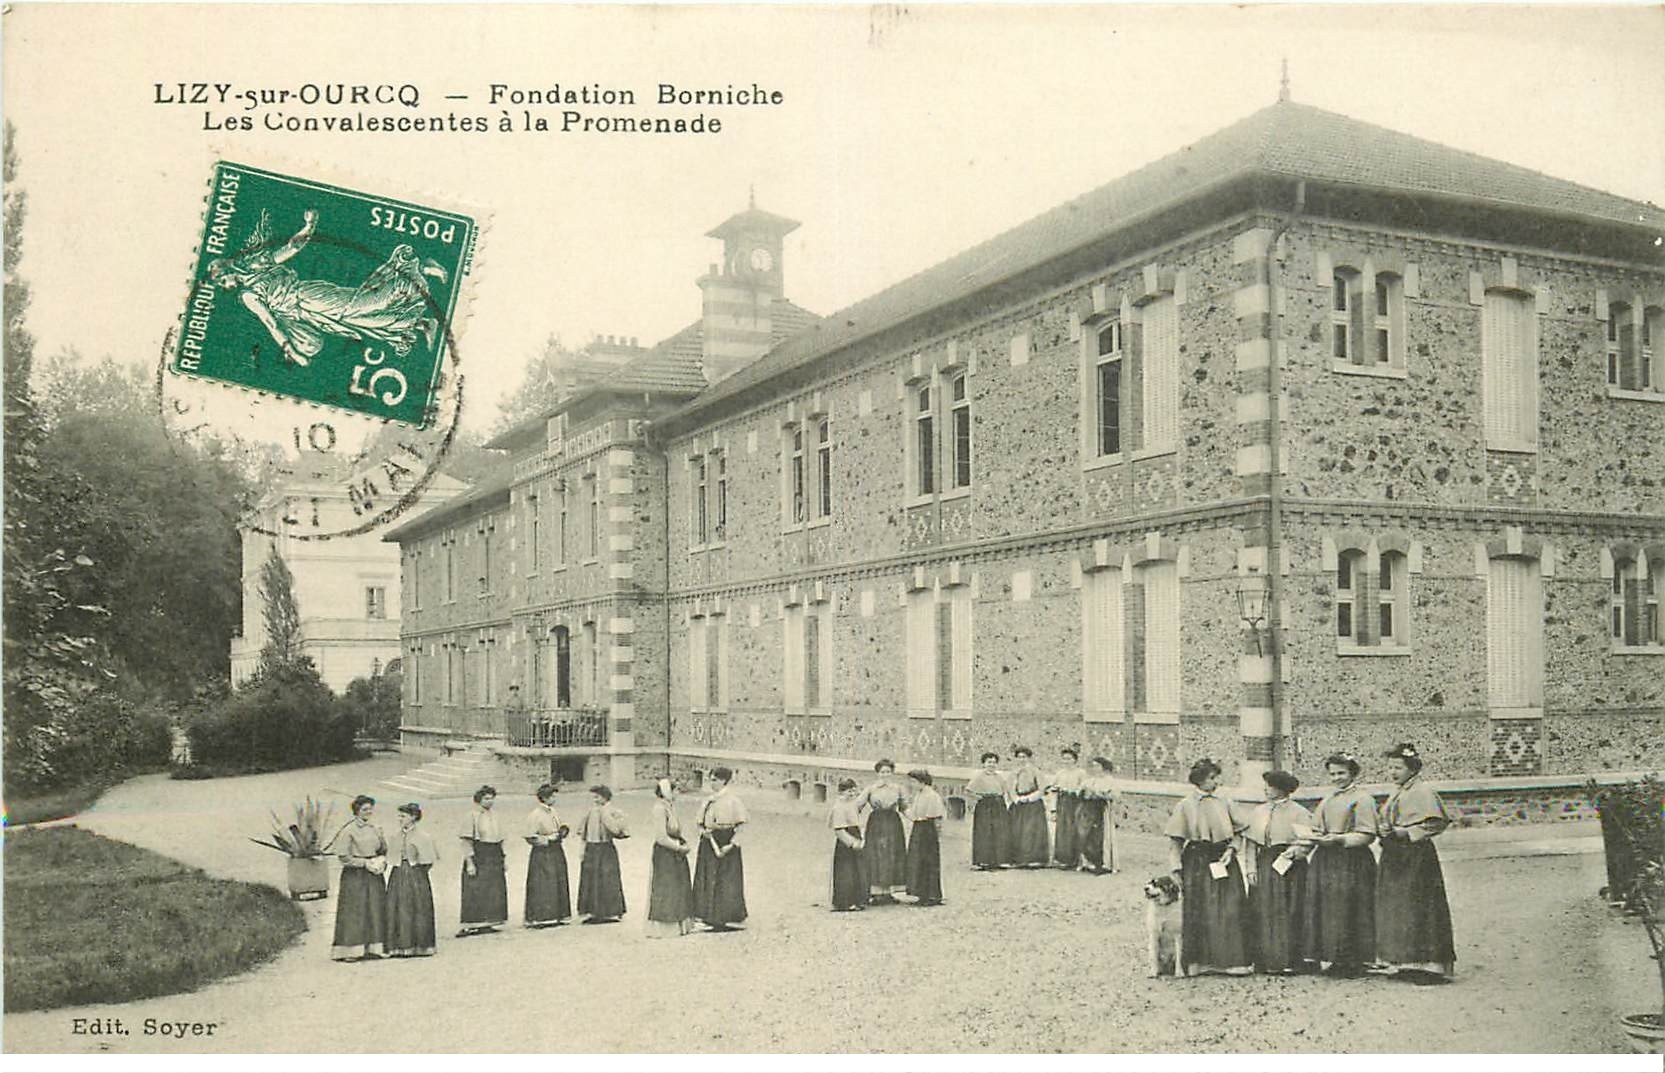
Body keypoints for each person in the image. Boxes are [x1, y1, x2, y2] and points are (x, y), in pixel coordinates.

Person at [207, 207, 447, 367]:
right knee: (365, 321)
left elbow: (290, 250)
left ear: (227, 272)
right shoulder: (248, 292)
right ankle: (421, 324)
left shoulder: (254, 273)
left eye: (221, 281)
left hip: (308, 296)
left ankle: (419, 269)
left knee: (362, 305)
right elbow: (273, 321)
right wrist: (293, 350)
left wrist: (309, 227)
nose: (224, 286)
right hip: (309, 313)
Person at [1163, 758, 1253, 976]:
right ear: (1199, 780)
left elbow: (1240, 830)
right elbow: (1175, 841)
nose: (1216, 782)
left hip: (1223, 858)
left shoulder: (1226, 801)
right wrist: (1175, 868)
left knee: (1229, 907)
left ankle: (1232, 961)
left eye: (1216, 777)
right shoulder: (1185, 805)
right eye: (1211, 778)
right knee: (1199, 907)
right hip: (1197, 861)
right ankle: (1199, 962)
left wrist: (1232, 850)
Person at [1376, 743, 1456, 982]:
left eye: (1398, 768)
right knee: (1398, 906)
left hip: (1416, 857)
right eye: (1390, 768)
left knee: (1420, 905)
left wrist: (1406, 832)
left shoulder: (1422, 792)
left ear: (1412, 768)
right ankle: (1404, 961)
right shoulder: (1397, 792)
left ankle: (1428, 964)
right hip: (1394, 855)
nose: (1393, 772)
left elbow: (1434, 823)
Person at [1301, 752, 1379, 975]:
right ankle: (1334, 956)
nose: (1337, 778)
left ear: (1352, 773)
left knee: (1348, 908)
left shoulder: (1363, 799)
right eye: (1333, 774)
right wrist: (1310, 839)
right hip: (1326, 859)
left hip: (1351, 860)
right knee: (1329, 908)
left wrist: (1341, 839)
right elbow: (1316, 828)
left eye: (1341, 773)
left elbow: (1367, 834)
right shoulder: (1328, 799)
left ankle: (1354, 961)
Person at [1244, 770, 1314, 974]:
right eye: (1266, 786)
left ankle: (1290, 960)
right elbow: (1250, 843)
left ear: (1282, 789)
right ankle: (1265, 960)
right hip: (1265, 863)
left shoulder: (1299, 812)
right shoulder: (1258, 811)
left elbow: (1307, 840)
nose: (1266, 790)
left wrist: (1294, 853)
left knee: (1289, 909)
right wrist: (1250, 869)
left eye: (1271, 786)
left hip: (1290, 866)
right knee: (1264, 910)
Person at [331, 794, 388, 961]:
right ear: (356, 811)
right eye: (364, 809)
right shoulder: (348, 831)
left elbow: (383, 849)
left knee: (375, 908)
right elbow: (343, 857)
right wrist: (364, 863)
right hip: (355, 876)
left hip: (374, 874)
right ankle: (351, 951)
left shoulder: (375, 828)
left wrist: (381, 861)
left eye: (370, 809)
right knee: (355, 910)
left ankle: (374, 948)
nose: (368, 812)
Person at [693, 765, 749, 931]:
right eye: (710, 779)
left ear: (724, 781)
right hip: (709, 841)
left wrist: (731, 845)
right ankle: (705, 914)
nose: (712, 783)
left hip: (726, 842)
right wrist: (703, 832)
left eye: (715, 780)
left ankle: (729, 915)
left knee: (726, 879)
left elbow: (742, 826)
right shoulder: (708, 800)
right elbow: (699, 821)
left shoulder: (733, 801)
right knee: (707, 876)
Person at [384, 802, 438, 958]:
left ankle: (420, 946)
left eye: (403, 816)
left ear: (413, 817)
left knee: (418, 907)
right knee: (397, 907)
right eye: (399, 816)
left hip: (416, 874)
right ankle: (399, 946)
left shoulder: (423, 836)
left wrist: (417, 872)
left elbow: (428, 861)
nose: (399, 819)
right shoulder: (395, 835)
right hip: (398, 873)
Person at [645, 778, 695, 937]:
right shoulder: (659, 808)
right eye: (675, 790)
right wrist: (679, 848)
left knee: (678, 887)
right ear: (667, 792)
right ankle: (666, 927)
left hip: (675, 853)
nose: (678, 793)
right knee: (667, 887)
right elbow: (661, 837)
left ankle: (680, 923)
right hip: (666, 854)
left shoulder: (670, 807)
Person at [458, 784, 508, 937]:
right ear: (479, 800)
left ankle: (489, 921)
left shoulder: (495, 815)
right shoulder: (471, 816)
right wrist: (470, 862)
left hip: (494, 854)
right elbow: (467, 841)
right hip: (479, 854)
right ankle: (473, 924)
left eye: (492, 798)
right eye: (486, 798)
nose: (490, 801)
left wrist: (503, 858)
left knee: (493, 888)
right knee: (476, 888)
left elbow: (500, 839)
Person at [576, 785, 628, 923]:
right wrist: (582, 849)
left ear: (605, 797)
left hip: (605, 848)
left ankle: (611, 911)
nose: (595, 799)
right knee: (591, 879)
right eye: (594, 797)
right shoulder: (591, 811)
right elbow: (583, 831)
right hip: (591, 848)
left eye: (597, 797)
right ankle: (592, 911)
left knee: (608, 878)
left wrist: (609, 817)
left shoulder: (611, 811)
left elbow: (619, 830)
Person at [860, 759, 910, 902]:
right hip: (876, 822)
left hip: (893, 823)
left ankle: (888, 892)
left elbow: (904, 807)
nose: (885, 774)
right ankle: (876, 892)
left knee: (892, 853)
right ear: (877, 773)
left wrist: (916, 819)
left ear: (892, 773)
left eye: (888, 772)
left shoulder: (898, 788)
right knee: (876, 854)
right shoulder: (871, 789)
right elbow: (858, 804)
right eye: (882, 772)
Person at [524, 782, 572, 928]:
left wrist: (562, 832)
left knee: (558, 880)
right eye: (552, 796)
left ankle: (557, 915)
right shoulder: (535, 815)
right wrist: (547, 839)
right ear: (544, 798)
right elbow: (529, 836)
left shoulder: (553, 812)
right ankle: (541, 917)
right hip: (542, 853)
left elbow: (559, 827)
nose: (554, 799)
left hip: (556, 850)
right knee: (543, 883)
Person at [903, 769, 946, 906]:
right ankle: (921, 893)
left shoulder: (932, 796)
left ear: (922, 782)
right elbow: (915, 816)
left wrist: (937, 834)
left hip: (928, 829)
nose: (912, 784)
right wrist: (904, 810)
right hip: (919, 828)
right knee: (917, 861)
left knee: (928, 861)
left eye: (914, 782)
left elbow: (936, 817)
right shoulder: (919, 794)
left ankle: (932, 895)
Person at [965, 752, 1010, 870]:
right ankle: (982, 861)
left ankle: (998, 860)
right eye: (989, 762)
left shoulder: (999, 777)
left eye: (994, 762)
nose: (992, 765)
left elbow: (1004, 790)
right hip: (985, 806)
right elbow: (969, 791)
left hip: (998, 805)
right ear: (984, 764)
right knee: (984, 832)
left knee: (999, 832)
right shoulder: (978, 777)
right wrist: (978, 798)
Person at [828, 778, 868, 912]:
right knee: (846, 873)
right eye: (848, 792)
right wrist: (852, 843)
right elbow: (839, 830)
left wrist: (860, 839)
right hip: (845, 843)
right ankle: (844, 902)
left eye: (853, 791)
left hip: (855, 835)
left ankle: (857, 900)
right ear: (841, 792)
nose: (851, 794)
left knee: (857, 871)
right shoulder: (838, 807)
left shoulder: (852, 804)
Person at [1076, 756, 1120, 874]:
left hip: (1101, 810)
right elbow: (1080, 792)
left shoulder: (1109, 781)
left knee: (1100, 836)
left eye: (1097, 766)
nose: (1095, 768)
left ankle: (1102, 862)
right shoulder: (1089, 780)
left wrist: (1099, 794)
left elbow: (1115, 796)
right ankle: (1088, 861)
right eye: (1093, 766)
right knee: (1087, 835)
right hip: (1089, 809)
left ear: (1103, 767)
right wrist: (1084, 793)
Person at [1007, 746, 1051, 868]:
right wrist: (1016, 798)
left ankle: (1034, 859)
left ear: (1029, 758)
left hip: (1033, 805)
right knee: (1016, 830)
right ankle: (1017, 859)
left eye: (1024, 757)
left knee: (1031, 831)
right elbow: (1010, 788)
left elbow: (1042, 789)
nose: (1021, 759)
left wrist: (1029, 798)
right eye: (1019, 757)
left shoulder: (1035, 771)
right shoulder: (1013, 773)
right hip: (1018, 804)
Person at [1049, 745, 1084, 869]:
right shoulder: (1060, 774)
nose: (1067, 761)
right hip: (1063, 802)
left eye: (1069, 759)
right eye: (1064, 759)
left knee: (1074, 828)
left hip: (1075, 802)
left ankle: (1075, 859)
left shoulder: (1080, 773)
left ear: (1075, 760)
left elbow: (1083, 788)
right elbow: (1053, 790)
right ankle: (1062, 858)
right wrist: (1053, 809)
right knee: (1062, 829)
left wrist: (1076, 791)